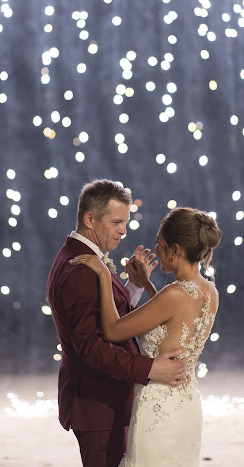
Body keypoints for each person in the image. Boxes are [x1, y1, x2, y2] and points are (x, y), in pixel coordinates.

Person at [46, 179, 186, 467]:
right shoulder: (81, 269)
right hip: (98, 403)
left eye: (126, 222)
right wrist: (150, 369)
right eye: (116, 222)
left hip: (106, 400)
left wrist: (133, 286)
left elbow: (108, 322)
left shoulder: (84, 258)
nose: (124, 231)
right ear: (90, 219)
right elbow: (90, 347)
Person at [71, 206, 222, 467]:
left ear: (175, 250)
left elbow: (113, 330)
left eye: (160, 244)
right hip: (186, 407)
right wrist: (147, 285)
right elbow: (172, 321)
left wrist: (104, 276)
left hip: (158, 409)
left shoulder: (173, 294)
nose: (157, 249)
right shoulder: (210, 291)